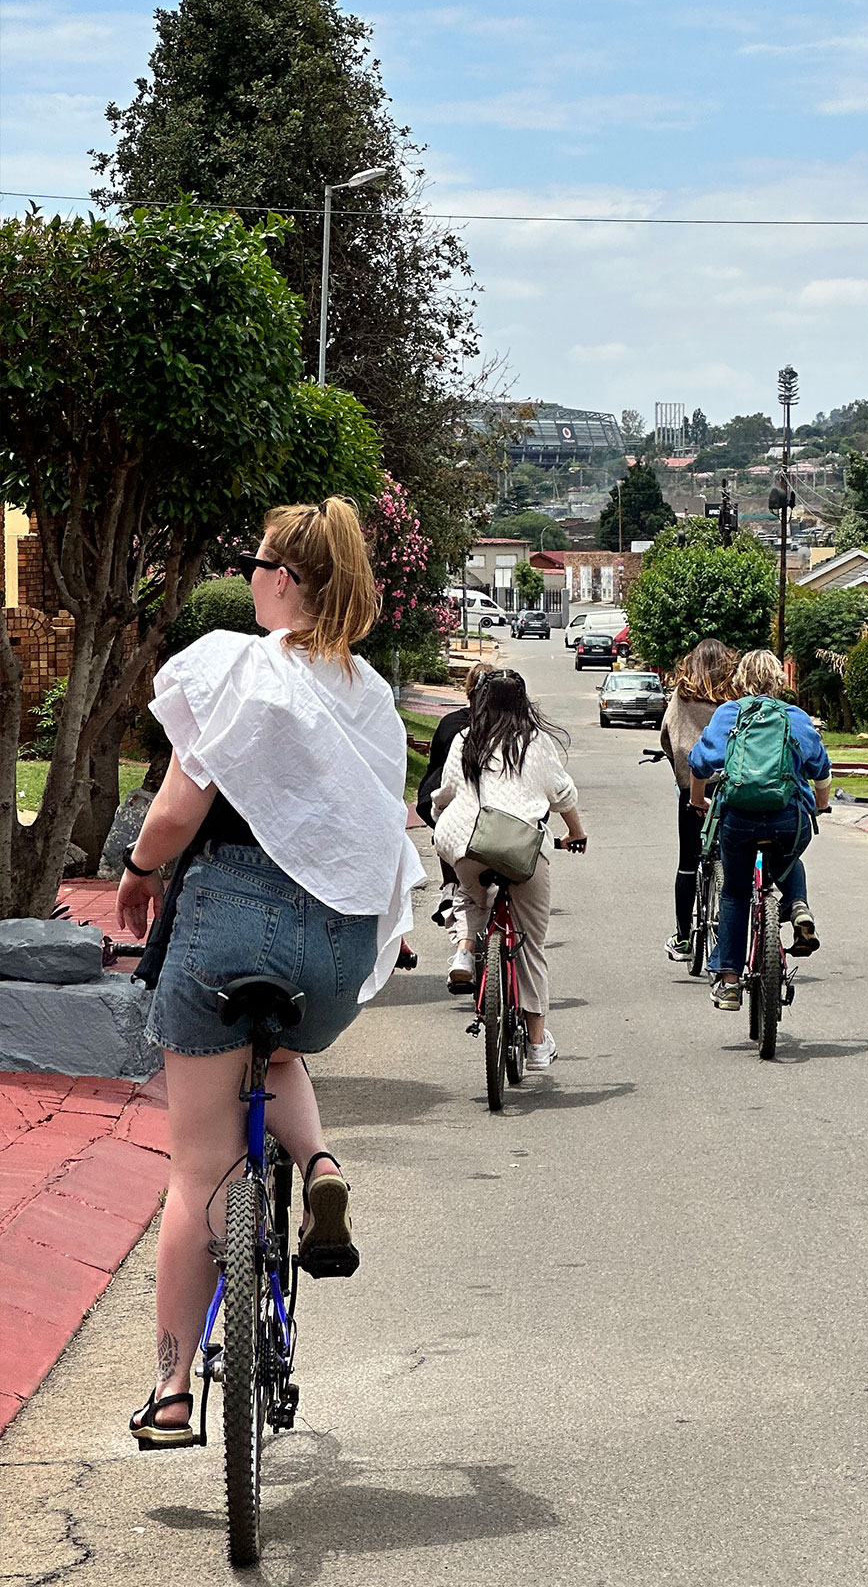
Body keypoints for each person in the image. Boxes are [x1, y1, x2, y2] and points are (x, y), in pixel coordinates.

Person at [117, 498, 424, 1450]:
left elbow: (173, 813)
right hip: (331, 947)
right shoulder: (370, 696)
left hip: (226, 927)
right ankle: (317, 1161)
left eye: (255, 563)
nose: (248, 576)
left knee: (198, 1167)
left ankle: (172, 1394)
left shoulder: (235, 669)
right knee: (282, 1050)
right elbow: (377, 825)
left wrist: (133, 875)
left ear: (285, 579)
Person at [431, 668, 587, 1070]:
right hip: (520, 851)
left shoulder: (467, 740)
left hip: (467, 844)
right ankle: (537, 1045)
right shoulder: (536, 742)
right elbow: (563, 793)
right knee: (531, 945)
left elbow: (446, 794)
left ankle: (465, 952)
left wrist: (437, 812)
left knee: (469, 893)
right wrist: (575, 833)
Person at [688, 648, 832, 1010]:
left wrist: (697, 800)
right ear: (779, 681)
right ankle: (798, 906)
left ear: (740, 680)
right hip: (787, 816)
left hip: (738, 817)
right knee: (789, 857)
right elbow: (821, 770)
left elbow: (700, 762)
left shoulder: (729, 714)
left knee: (736, 893)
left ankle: (731, 981)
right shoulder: (795, 717)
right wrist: (820, 804)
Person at [659, 638, 737, 961]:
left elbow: (667, 735)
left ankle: (683, 938)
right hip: (733, 788)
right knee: (734, 862)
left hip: (695, 789)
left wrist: (675, 763)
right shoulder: (735, 697)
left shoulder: (682, 696)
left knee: (688, 864)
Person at [415, 662, 485, 993]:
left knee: (460, 880)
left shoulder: (452, 727)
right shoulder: (516, 730)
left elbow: (443, 783)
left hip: (453, 817)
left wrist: (437, 811)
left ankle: (448, 891)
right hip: (504, 826)